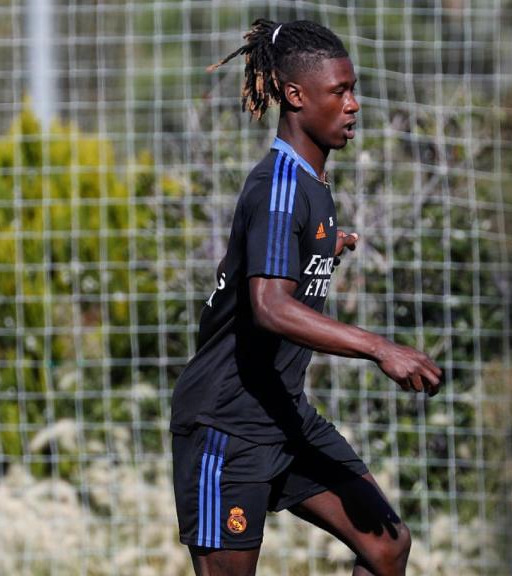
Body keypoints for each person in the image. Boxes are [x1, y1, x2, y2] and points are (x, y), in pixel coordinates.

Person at [169, 19, 442, 576]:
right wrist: (378, 348)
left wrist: (324, 244)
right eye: (339, 92)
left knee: (386, 546)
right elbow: (269, 307)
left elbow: (262, 258)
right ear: (296, 96)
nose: (354, 105)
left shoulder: (311, 186)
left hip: (283, 413)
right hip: (228, 424)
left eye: (353, 89)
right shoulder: (280, 187)